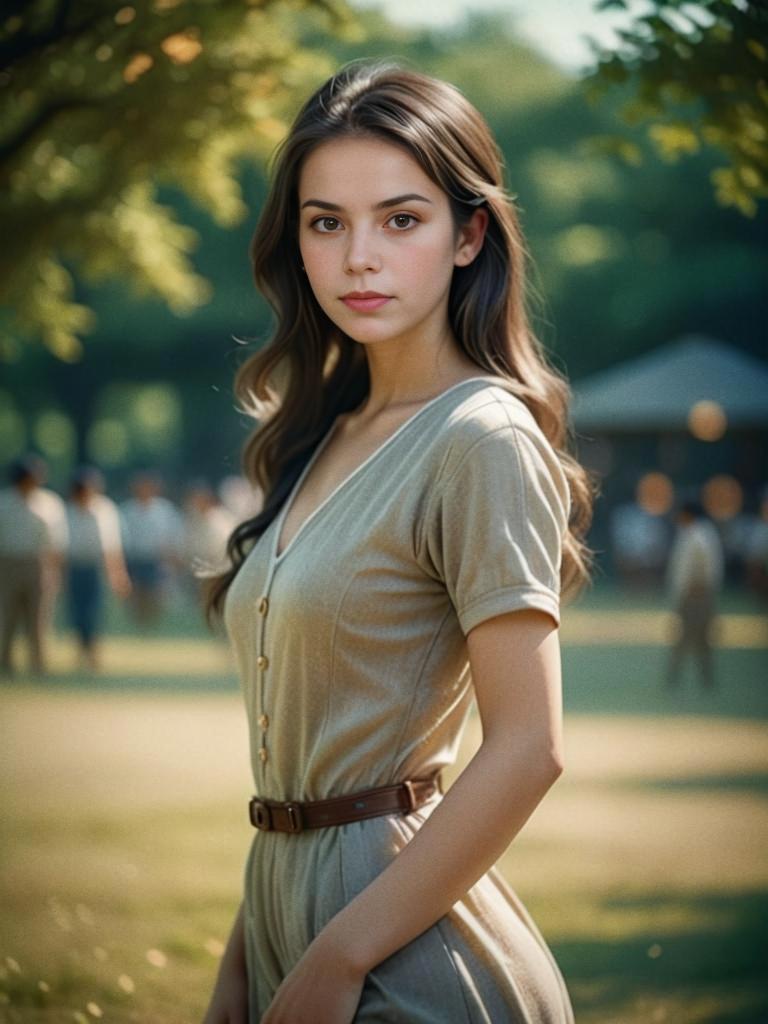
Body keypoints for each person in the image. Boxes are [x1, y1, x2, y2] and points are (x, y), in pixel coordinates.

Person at [200, 60, 595, 1024]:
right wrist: (240, 975)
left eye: (401, 219)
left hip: (404, 965)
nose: (358, 257)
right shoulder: (326, 429)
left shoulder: (480, 437)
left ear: (469, 235)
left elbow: (530, 748)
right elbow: (297, 784)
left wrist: (337, 962)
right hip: (286, 923)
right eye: (325, 221)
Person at [0, 454, 68, 677]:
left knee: (38, 617)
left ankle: (38, 662)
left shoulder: (49, 503)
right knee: (7, 615)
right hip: (7, 562)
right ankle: (5, 660)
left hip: (38, 563)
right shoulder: (4, 503)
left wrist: (55, 571)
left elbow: (56, 541)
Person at [65, 466, 132, 672]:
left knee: (94, 612)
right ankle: (81, 651)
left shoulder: (104, 510)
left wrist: (118, 574)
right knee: (76, 612)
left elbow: (112, 545)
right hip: (74, 565)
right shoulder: (67, 511)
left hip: (96, 566)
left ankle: (93, 653)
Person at [663, 498, 724, 691]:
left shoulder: (700, 535)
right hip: (690, 595)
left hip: (696, 595)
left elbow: (707, 568)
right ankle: (700, 681)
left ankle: (677, 680)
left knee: (691, 640)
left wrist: (695, 589)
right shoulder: (693, 533)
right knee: (695, 640)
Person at [119, 470, 183, 627]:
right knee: (136, 597)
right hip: (135, 559)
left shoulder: (165, 510)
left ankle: (154, 627)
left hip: (157, 560)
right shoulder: (127, 510)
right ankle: (139, 627)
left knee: (156, 596)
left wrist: (173, 560)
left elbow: (173, 536)